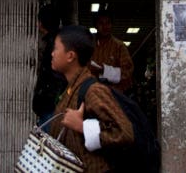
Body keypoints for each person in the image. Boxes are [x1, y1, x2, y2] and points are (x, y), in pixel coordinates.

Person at [51, 25, 135, 172]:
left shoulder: (93, 90)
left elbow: (125, 133)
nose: (52, 54)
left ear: (70, 56)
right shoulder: (71, 87)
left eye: (55, 49)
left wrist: (82, 127)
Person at [32, 4, 65, 124]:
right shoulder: (58, 40)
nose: (38, 24)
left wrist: (44, 98)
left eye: (39, 20)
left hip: (50, 105)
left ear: (42, 22)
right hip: (50, 104)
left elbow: (53, 76)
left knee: (47, 138)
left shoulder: (53, 43)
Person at [89, 12, 134, 94]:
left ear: (112, 25)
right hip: (91, 94)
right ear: (96, 26)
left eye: (108, 23)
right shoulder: (88, 45)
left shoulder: (119, 46)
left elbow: (127, 73)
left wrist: (104, 70)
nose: (105, 26)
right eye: (101, 23)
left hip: (114, 95)